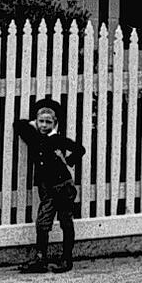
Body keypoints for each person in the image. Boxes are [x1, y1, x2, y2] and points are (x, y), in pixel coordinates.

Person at [14, 97, 84, 273]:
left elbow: (80, 149)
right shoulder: (34, 137)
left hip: (63, 186)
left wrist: (68, 160)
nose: (44, 125)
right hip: (47, 188)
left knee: (66, 221)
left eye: (48, 122)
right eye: (41, 121)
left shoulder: (57, 139)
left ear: (55, 123)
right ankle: (40, 260)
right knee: (42, 223)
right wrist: (35, 123)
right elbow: (19, 125)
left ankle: (67, 259)